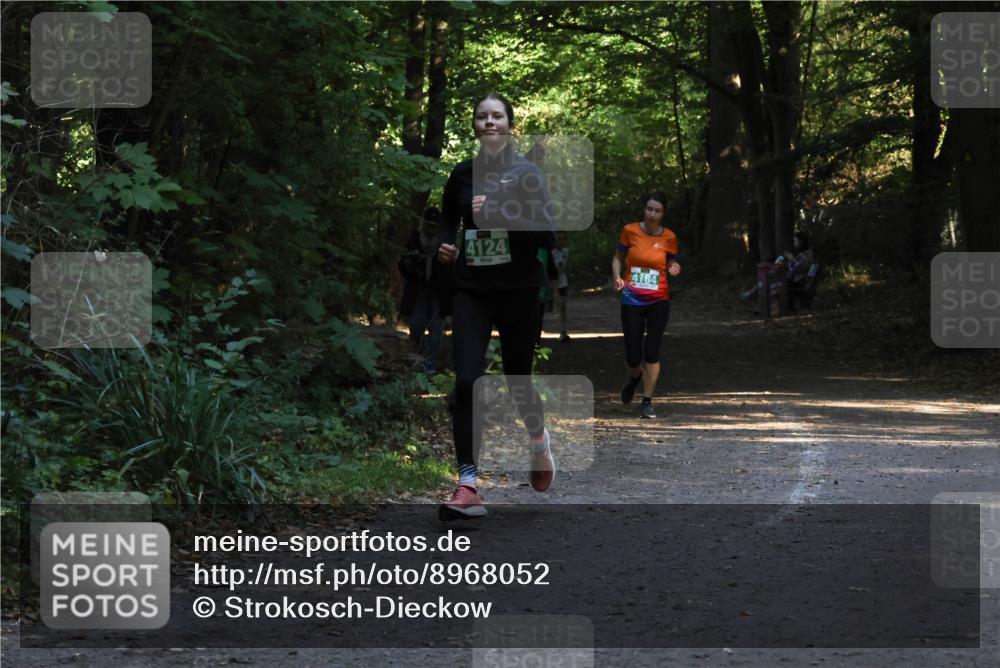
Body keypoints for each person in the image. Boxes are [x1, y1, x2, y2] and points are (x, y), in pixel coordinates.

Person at [436, 93, 557, 520]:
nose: (489, 123)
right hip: (472, 290)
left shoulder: (527, 174)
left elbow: (547, 233)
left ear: (510, 125)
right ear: (474, 126)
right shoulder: (462, 175)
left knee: (518, 378)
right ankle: (468, 483)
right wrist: (444, 247)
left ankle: (539, 441)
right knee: (467, 380)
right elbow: (446, 220)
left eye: (497, 116)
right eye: (482, 117)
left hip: (520, 290)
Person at [612, 192, 681, 419]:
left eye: (657, 210)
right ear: (644, 209)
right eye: (649, 209)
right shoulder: (630, 231)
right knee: (632, 355)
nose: (652, 214)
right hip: (631, 299)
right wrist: (617, 277)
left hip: (659, 300)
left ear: (663, 213)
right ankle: (634, 377)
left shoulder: (669, 237)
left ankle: (647, 401)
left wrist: (674, 267)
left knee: (652, 351)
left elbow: (671, 261)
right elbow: (617, 258)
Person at [398, 207, 446, 374]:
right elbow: (403, 262)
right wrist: (409, 265)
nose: (431, 228)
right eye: (429, 224)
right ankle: (415, 360)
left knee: (436, 330)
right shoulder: (414, 237)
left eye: (434, 225)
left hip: (438, 291)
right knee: (416, 325)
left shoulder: (444, 241)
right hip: (417, 289)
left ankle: (428, 366)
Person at [552, 232, 571, 342]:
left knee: (563, 308)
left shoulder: (566, 252)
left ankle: (563, 332)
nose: (561, 241)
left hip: (562, 283)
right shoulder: (551, 252)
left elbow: (565, 267)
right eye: (559, 238)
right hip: (551, 282)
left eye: (563, 238)